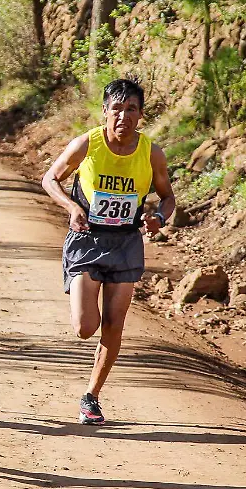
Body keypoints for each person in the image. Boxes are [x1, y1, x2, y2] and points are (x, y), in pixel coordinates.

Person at [40, 78, 175, 425]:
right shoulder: (88, 144)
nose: (123, 116)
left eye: (131, 109)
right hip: (87, 242)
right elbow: (50, 179)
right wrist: (71, 208)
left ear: (141, 114)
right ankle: (86, 323)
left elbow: (167, 196)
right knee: (87, 327)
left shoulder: (151, 153)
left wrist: (158, 216)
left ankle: (92, 397)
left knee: (114, 325)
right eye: (116, 108)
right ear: (104, 111)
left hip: (126, 244)